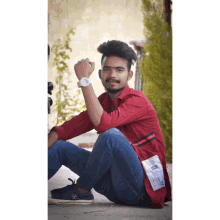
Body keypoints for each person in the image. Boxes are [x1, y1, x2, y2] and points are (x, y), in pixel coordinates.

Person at [48, 40, 172, 208]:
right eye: (107, 69)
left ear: (129, 75)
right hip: (115, 186)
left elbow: (104, 125)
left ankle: (81, 191)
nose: (112, 75)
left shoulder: (138, 100)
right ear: (100, 74)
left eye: (119, 70)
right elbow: (70, 128)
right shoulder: (104, 102)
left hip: (144, 190)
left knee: (111, 136)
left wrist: (84, 80)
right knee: (59, 147)